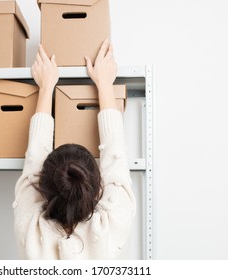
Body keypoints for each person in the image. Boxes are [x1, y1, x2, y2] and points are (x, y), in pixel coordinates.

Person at [13, 39, 136, 259]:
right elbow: (115, 156)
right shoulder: (113, 226)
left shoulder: (30, 229)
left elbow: (33, 160)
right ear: (98, 187)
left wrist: (46, 86)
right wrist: (105, 84)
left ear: (42, 186)